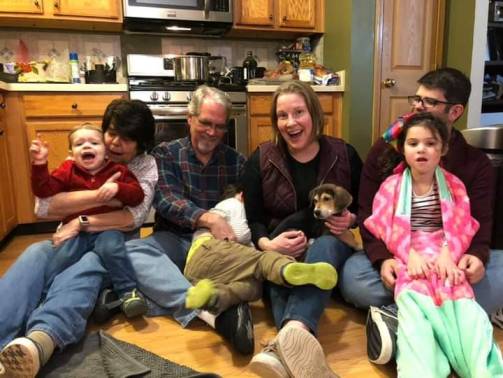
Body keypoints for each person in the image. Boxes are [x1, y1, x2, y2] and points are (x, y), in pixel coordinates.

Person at [339, 67, 503, 365]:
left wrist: (476, 257)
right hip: (403, 259)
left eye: (428, 102)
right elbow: (368, 214)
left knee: (500, 270)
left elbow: (478, 220)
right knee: (353, 277)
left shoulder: (474, 164)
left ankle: (403, 320)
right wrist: (384, 258)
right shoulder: (387, 150)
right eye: (417, 98)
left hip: (449, 262)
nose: (416, 106)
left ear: (454, 111)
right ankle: (442, 319)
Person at [0, 99, 158, 377]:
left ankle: (39, 341)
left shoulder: (144, 166)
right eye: (111, 132)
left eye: (127, 138)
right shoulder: (85, 153)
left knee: (86, 267)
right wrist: (97, 199)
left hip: (112, 244)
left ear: (141, 143)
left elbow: (130, 218)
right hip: (68, 237)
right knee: (35, 253)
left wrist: (81, 219)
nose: (114, 143)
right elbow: (44, 206)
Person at [364, 112, 503, 377]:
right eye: (413, 143)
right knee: (416, 317)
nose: (421, 150)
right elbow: (383, 225)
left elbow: (464, 225)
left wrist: (449, 253)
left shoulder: (455, 186)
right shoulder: (391, 186)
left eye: (430, 143)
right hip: (410, 261)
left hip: (446, 258)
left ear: (444, 148)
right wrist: (409, 254)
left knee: (467, 314)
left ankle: (483, 369)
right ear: (402, 148)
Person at [241, 80, 362, 378]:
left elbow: (369, 205)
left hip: (330, 242)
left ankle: (285, 340)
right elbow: (254, 218)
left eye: (299, 112)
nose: (290, 122)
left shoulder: (344, 154)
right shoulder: (261, 158)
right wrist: (268, 245)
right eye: (282, 115)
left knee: (323, 245)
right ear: (275, 122)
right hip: (281, 248)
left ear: (315, 115)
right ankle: (296, 348)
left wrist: (352, 220)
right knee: (279, 272)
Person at [30, 123, 148, 319]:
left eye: (94, 142)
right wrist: (40, 164)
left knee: (113, 249)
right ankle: (46, 296)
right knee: (61, 258)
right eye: (79, 144)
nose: (87, 147)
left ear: (105, 150)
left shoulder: (117, 170)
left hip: (106, 229)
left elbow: (137, 195)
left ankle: (129, 292)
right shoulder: (67, 170)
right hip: (76, 231)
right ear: (71, 152)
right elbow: (44, 191)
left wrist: (118, 188)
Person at [184, 184, 338, 314]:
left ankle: (213, 296)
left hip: (198, 273)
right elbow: (238, 234)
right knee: (262, 260)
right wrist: (264, 248)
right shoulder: (233, 203)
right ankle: (288, 269)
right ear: (243, 195)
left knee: (255, 287)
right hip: (208, 249)